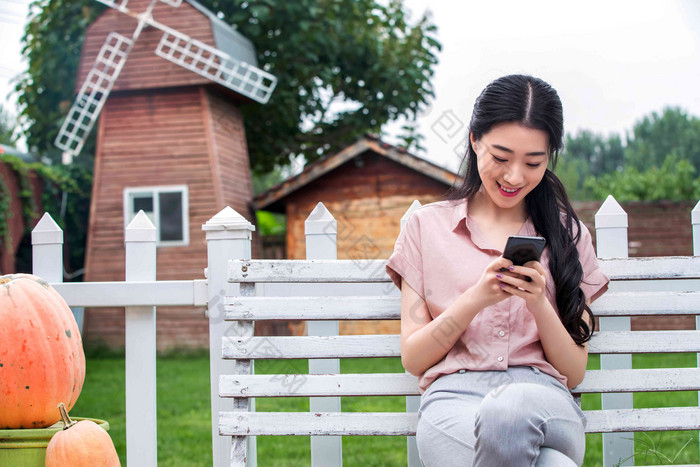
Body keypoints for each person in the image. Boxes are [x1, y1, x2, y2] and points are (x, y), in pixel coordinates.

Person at [385, 74, 609, 467]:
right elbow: (414, 359)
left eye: (534, 162)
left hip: (544, 401)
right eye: (501, 158)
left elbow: (573, 373)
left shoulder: (567, 235)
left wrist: (539, 303)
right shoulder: (425, 229)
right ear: (474, 140)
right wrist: (476, 299)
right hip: (453, 404)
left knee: (509, 410)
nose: (514, 177)